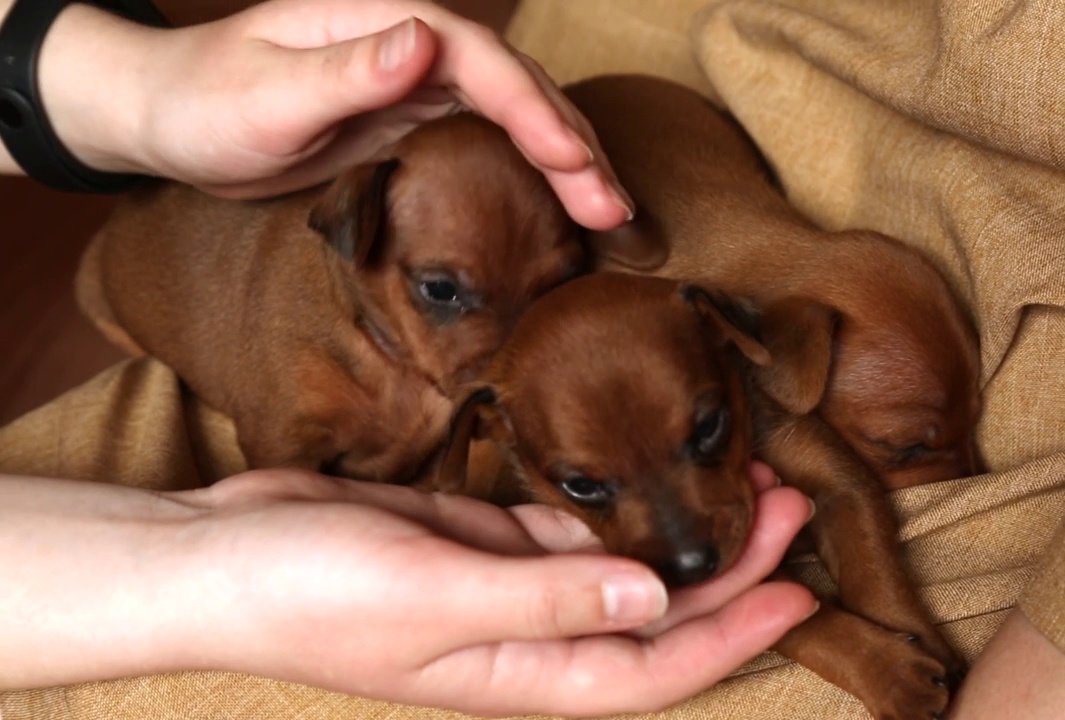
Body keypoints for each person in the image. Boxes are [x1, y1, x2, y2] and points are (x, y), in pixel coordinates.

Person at [0, 0, 818, 716]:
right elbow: (282, 456)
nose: (508, 346)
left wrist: (128, 82)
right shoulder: (305, 349)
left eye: (556, 281)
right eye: (443, 294)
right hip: (118, 277)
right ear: (358, 239)